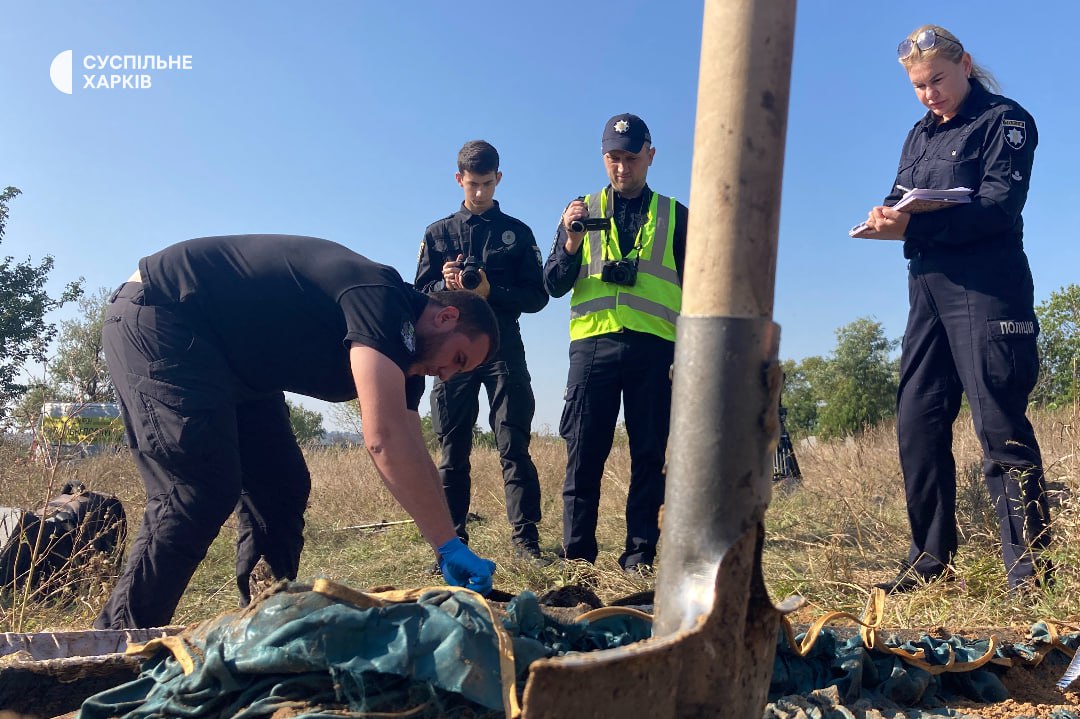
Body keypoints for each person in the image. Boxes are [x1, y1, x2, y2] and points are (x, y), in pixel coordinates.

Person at [95, 234, 500, 629]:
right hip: (165, 312)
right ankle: (113, 646)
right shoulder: (380, 298)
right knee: (195, 491)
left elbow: (414, 453)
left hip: (237, 364)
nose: (446, 375)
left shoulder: (406, 359)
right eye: (457, 359)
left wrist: (449, 542)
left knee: (280, 488)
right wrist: (446, 544)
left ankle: (261, 630)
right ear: (446, 316)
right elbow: (385, 440)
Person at [854, 25, 1052, 594]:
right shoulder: (918, 136)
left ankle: (1030, 575)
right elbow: (899, 198)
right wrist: (885, 219)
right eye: (918, 86)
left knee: (999, 424)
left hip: (987, 288)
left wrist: (917, 222)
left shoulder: (1005, 122)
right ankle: (929, 560)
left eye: (937, 79)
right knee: (916, 420)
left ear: (965, 64)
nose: (929, 94)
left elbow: (997, 207)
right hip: (927, 290)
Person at [543, 113, 688, 572]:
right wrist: (568, 242)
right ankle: (578, 556)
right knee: (583, 454)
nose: (621, 167)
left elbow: (704, 287)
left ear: (650, 155)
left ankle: (640, 554)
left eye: (630, 157)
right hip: (592, 347)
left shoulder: (675, 215)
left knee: (650, 455)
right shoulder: (579, 212)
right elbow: (552, 283)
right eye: (613, 158)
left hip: (655, 349)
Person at [414, 140, 549, 560]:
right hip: (451, 352)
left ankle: (526, 543)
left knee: (514, 444)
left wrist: (494, 291)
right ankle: (450, 545)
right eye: (472, 185)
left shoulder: (517, 232)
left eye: (487, 184)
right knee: (452, 451)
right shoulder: (437, 234)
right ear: (459, 180)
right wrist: (442, 284)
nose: (479, 193)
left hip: (502, 346)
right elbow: (416, 295)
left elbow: (538, 296)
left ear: (499, 179)